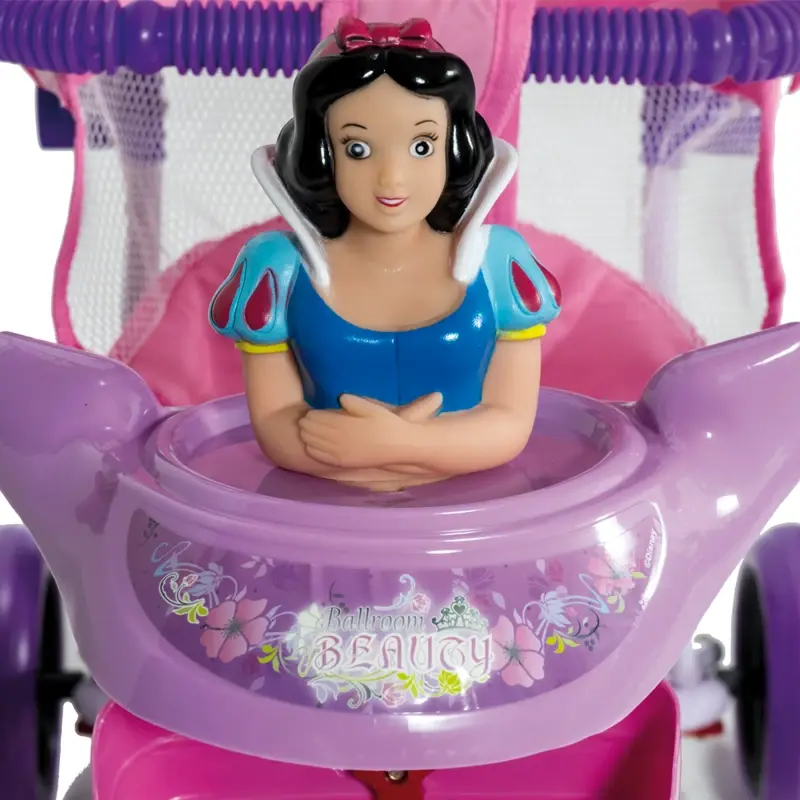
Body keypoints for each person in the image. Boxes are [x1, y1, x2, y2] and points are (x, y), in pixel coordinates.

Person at [209, 17, 561, 491]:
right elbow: (276, 426)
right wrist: (388, 453)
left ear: (454, 148)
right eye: (358, 148)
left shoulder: (499, 264)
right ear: (322, 155)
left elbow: (511, 422)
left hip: (469, 512)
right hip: (319, 513)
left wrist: (397, 445)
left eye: (422, 146)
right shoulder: (279, 269)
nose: (392, 178)